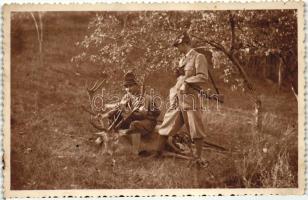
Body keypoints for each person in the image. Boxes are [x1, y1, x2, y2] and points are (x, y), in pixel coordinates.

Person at [156, 32, 209, 161]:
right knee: (167, 123)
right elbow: (180, 78)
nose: (177, 49)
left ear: (185, 44)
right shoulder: (182, 60)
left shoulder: (198, 57)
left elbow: (203, 77)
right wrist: (174, 90)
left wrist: (187, 82)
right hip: (177, 97)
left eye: (178, 46)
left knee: (195, 128)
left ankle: (198, 158)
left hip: (190, 98)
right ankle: (157, 153)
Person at [108, 71, 160, 155]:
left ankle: (136, 152)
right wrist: (108, 114)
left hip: (148, 121)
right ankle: (112, 142)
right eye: (126, 87)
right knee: (114, 116)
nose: (128, 89)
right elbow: (119, 107)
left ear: (137, 86)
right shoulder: (127, 96)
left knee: (134, 124)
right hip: (133, 117)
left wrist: (126, 111)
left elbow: (143, 115)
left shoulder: (145, 98)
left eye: (130, 86)